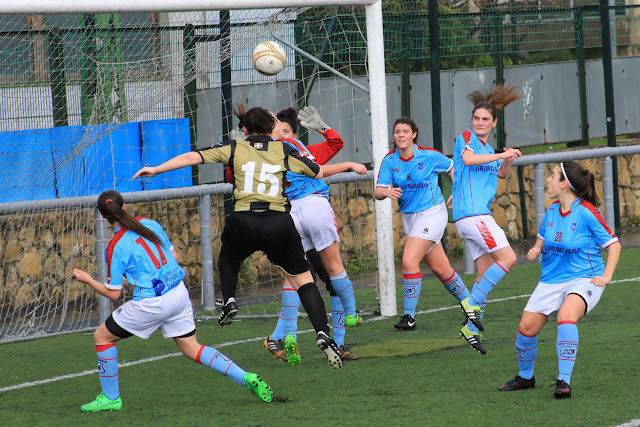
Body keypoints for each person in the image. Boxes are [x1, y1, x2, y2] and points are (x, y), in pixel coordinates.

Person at [133, 106, 351, 369]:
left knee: (229, 255)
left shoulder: (233, 147)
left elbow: (193, 156)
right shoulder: (285, 150)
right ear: (273, 130)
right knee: (304, 280)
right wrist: (342, 163)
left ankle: (229, 300)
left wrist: (157, 169)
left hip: (244, 220)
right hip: (278, 222)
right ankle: (322, 333)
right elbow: (317, 172)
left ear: (244, 129)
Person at [72, 190, 273, 412]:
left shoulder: (114, 247)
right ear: (125, 207)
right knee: (191, 348)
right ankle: (245, 377)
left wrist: (88, 279)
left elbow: (113, 293)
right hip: (178, 293)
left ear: (102, 216)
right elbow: (173, 257)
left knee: (102, 336)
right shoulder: (149, 223)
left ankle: (110, 398)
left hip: (152, 302)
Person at [499, 161, 620, 398]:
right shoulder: (552, 211)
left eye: (552, 175)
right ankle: (525, 377)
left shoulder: (587, 212)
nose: (547, 180)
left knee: (566, 316)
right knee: (526, 329)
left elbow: (613, 245)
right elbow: (543, 239)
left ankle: (564, 381)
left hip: (585, 278)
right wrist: (535, 249)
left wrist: (606, 276)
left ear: (565, 184)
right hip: (551, 279)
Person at [263, 106, 366, 366]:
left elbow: (335, 142)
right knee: (326, 275)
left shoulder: (296, 149)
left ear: (295, 132)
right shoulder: (284, 150)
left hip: (290, 217)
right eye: (277, 127)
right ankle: (344, 323)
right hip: (305, 211)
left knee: (298, 280)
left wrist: (321, 127)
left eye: (286, 129)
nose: (282, 132)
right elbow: (318, 171)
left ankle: (289, 337)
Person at [374, 117, 470, 331]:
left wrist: (457, 191)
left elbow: (452, 166)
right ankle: (471, 306)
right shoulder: (390, 161)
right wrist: (386, 192)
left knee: (409, 260)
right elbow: (378, 191)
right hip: (410, 218)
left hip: (432, 213)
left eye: (405, 131)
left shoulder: (427, 155)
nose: (400, 135)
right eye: (397, 132)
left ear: (413, 134)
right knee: (440, 268)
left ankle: (409, 317)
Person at [452, 85, 522, 354]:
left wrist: (509, 158)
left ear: (494, 123)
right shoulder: (466, 138)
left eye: (484, 119)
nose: (479, 123)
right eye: (476, 118)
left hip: (474, 216)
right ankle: (470, 306)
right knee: (508, 258)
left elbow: (502, 173)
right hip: (473, 215)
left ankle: (470, 329)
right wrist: (501, 155)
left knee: (484, 275)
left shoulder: (489, 147)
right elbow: (468, 160)